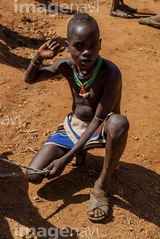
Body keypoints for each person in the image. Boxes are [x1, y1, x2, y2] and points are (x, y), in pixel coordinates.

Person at [24, 12, 129, 222]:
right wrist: (38, 57)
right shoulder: (67, 66)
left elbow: (99, 119)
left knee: (119, 123)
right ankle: (81, 151)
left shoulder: (110, 73)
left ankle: (102, 186)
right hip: (74, 126)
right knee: (33, 175)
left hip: (102, 128)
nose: (86, 52)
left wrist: (65, 159)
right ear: (68, 45)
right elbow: (30, 79)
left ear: (100, 44)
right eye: (79, 45)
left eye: (92, 45)